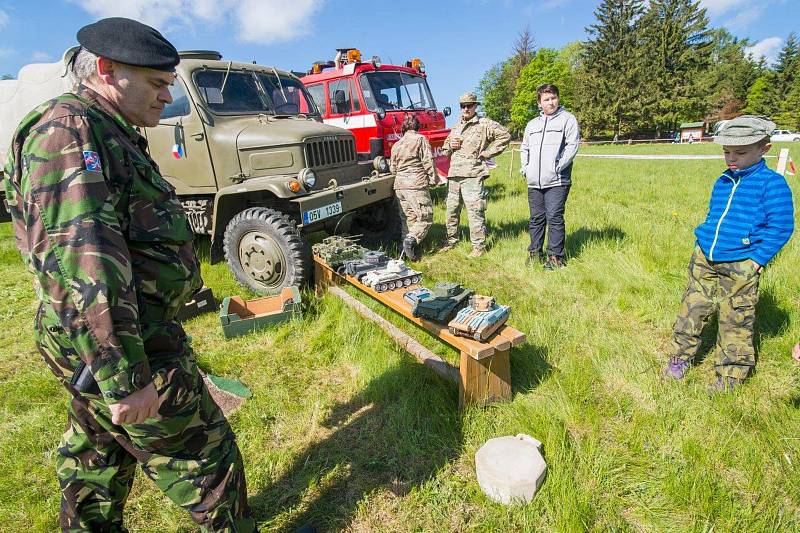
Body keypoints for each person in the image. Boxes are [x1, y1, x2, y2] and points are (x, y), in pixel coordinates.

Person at [2, 18, 256, 530]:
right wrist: (126, 380)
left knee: (96, 459)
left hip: (103, 340)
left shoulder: (107, 129)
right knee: (206, 459)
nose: (167, 97)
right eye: (157, 83)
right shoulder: (68, 132)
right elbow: (87, 265)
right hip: (124, 341)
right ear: (106, 70)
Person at [662, 116, 794, 392]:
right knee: (691, 309)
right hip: (704, 259)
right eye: (726, 151)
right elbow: (714, 215)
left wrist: (756, 261)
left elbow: (782, 227)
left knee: (735, 319)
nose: (731, 158)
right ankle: (679, 358)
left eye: (740, 152)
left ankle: (731, 374)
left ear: (764, 149)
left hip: (741, 264)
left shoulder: (772, 184)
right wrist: (704, 242)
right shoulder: (722, 180)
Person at [441, 92, 510, 257]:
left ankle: (478, 246)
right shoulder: (456, 126)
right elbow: (444, 151)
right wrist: (450, 145)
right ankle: (451, 241)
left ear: (475, 106)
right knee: (451, 210)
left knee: (475, 211)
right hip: (454, 174)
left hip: (473, 173)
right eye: (462, 106)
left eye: (469, 105)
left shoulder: (484, 124)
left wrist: (488, 153)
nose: (465, 109)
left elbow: (505, 136)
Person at [520, 83, 580, 269]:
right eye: (546, 99)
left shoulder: (567, 120)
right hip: (534, 181)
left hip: (557, 180)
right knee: (536, 218)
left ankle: (555, 258)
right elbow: (525, 148)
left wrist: (558, 166)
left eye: (553, 98)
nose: (551, 102)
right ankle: (535, 253)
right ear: (539, 103)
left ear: (558, 99)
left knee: (554, 217)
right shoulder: (532, 125)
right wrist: (526, 168)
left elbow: (572, 146)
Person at [390, 115, 437, 261]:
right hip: (415, 184)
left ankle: (404, 252)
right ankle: (410, 241)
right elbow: (428, 161)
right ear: (417, 127)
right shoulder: (420, 139)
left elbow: (393, 168)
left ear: (403, 128)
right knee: (425, 218)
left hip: (399, 186)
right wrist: (433, 178)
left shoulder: (397, 144)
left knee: (408, 219)